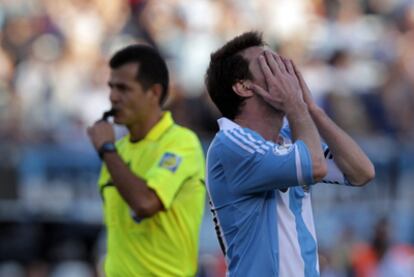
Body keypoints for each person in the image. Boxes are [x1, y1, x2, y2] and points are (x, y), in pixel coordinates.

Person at [204, 31, 375, 276]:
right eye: (269, 65)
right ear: (243, 87)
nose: (284, 72)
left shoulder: (288, 136)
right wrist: (296, 106)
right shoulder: (230, 144)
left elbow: (362, 172)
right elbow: (315, 165)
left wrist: (312, 109)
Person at [87, 44, 206, 276]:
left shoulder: (182, 143)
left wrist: (107, 149)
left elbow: (145, 203)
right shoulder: (117, 151)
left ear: (154, 92)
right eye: (111, 87)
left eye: (123, 88)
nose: (112, 97)